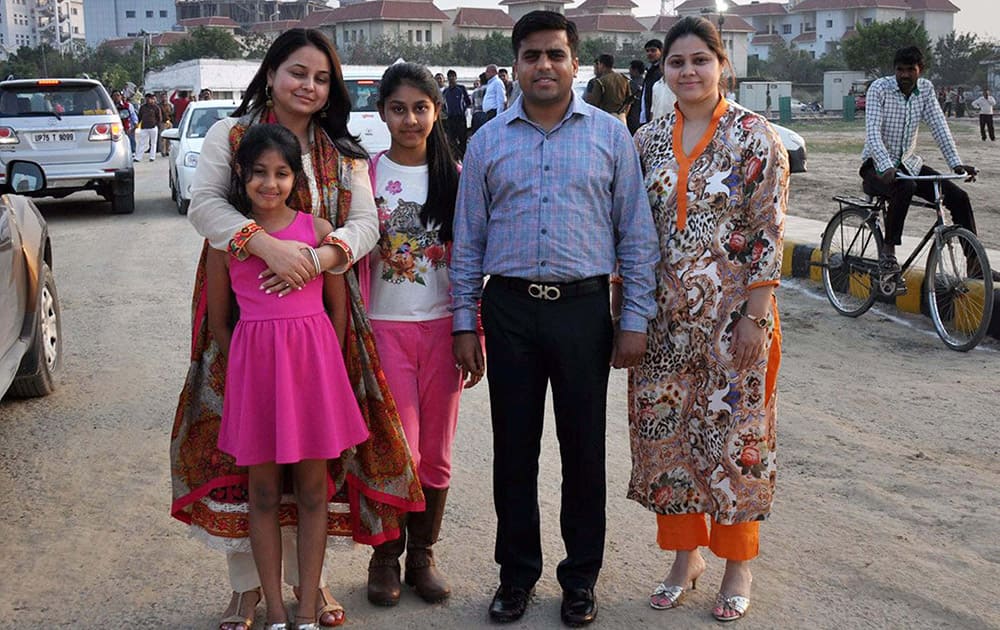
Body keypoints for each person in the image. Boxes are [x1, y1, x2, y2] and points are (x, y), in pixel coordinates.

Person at [173, 28, 424, 630]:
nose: (308, 86)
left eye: (321, 78)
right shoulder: (227, 136)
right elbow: (204, 206)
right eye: (297, 72)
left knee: (314, 458)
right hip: (244, 320)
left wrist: (320, 254)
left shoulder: (345, 152)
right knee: (248, 465)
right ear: (271, 73)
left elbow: (366, 225)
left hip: (318, 324)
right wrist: (261, 244)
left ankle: (309, 588)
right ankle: (249, 589)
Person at [450, 11, 659, 627]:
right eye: (533, 55)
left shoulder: (610, 136)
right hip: (509, 309)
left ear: (576, 63)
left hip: (584, 312)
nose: (544, 65)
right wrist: (466, 322)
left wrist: (634, 318)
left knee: (583, 452)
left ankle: (580, 580)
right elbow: (467, 242)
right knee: (513, 451)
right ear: (516, 63)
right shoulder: (487, 140)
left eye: (556, 55)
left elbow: (636, 236)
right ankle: (515, 577)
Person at [631, 16, 788, 623]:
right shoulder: (644, 140)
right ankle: (682, 557)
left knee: (736, 443)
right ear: (663, 70)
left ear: (723, 64)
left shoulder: (756, 137)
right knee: (666, 441)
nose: (688, 72)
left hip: (734, 324)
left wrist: (756, 315)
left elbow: (768, 230)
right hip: (664, 325)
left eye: (701, 60)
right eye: (677, 63)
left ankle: (736, 564)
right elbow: (635, 232)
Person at [208, 123, 367, 629]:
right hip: (257, 375)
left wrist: (326, 368)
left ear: (296, 178)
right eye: (259, 173)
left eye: (280, 173)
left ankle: (305, 606)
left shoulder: (320, 233)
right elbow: (218, 320)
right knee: (262, 494)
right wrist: (245, 372)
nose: (269, 184)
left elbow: (338, 312)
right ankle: (273, 609)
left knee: (315, 491)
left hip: (313, 373)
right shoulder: (227, 239)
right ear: (242, 174)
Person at [362, 61, 473, 608]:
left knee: (436, 452)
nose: (410, 119)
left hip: (443, 333)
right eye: (399, 108)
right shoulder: (365, 176)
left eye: (421, 108)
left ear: (436, 112)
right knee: (394, 448)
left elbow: (476, 259)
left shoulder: (459, 176)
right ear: (383, 112)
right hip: (384, 329)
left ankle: (422, 555)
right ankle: (385, 555)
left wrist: (470, 327)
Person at [859, 46, 978, 276]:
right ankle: (888, 251)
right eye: (900, 70)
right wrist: (885, 165)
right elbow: (872, 132)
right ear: (894, 70)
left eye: (910, 70)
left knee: (958, 197)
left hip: (909, 164)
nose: (904, 75)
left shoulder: (925, 90)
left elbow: (939, 126)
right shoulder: (879, 89)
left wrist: (956, 163)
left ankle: (974, 263)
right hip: (875, 166)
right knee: (905, 186)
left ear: (920, 70)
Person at [584, 53, 630, 124]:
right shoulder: (623, 79)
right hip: (622, 118)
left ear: (601, 65)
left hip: (606, 118)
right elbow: (629, 101)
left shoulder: (600, 81)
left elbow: (594, 104)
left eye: (598, 64)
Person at [441, 69, 471, 158]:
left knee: (462, 139)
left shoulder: (461, 88)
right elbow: (443, 105)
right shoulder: (445, 91)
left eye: (453, 76)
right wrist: (447, 112)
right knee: (451, 140)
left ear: (456, 77)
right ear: (447, 78)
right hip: (450, 119)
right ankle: (454, 159)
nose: (451, 78)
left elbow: (468, 102)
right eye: (449, 77)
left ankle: (463, 158)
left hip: (460, 118)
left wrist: (462, 110)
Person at [640, 39, 663, 125]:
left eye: (653, 50)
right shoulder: (651, 71)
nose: (649, 53)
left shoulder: (662, 72)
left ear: (662, 51)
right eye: (647, 51)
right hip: (647, 116)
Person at [135, 92, 163, 162]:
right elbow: (139, 117)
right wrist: (137, 124)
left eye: (149, 99)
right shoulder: (143, 107)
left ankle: (152, 157)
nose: (147, 100)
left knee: (153, 143)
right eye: (146, 99)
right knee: (142, 142)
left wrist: (157, 125)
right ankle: (138, 157)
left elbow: (159, 117)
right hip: (144, 127)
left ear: (152, 99)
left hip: (153, 127)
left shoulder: (156, 107)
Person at [112, 89, 138, 154]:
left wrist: (135, 125)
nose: (116, 97)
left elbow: (133, 115)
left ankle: (132, 152)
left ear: (121, 96)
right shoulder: (110, 106)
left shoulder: (128, 105)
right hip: (114, 129)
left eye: (118, 95)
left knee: (130, 141)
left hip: (127, 127)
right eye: (114, 95)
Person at [626, 59, 645, 134]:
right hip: (642, 119)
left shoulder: (631, 84)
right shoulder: (645, 82)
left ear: (635, 70)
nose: (629, 72)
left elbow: (627, 103)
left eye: (630, 70)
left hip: (632, 119)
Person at [158, 92, 175, 156]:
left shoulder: (169, 105)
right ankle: (163, 151)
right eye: (163, 97)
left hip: (169, 122)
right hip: (163, 123)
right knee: (163, 138)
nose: (164, 98)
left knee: (169, 137)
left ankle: (168, 150)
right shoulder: (159, 106)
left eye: (165, 97)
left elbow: (172, 113)